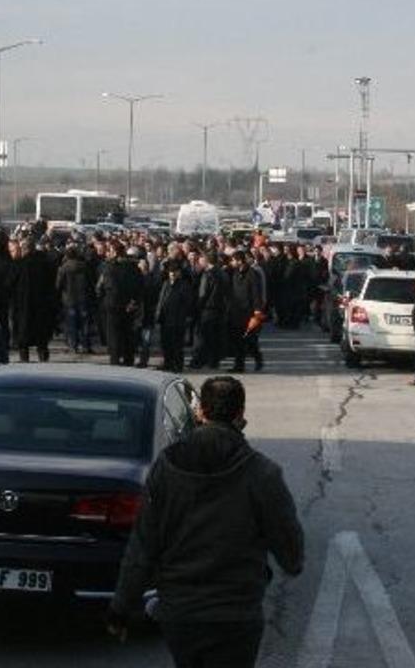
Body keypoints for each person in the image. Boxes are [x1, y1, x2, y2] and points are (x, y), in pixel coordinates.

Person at [107, 376, 304, 668]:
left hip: (180, 613)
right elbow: (292, 554)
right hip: (236, 616)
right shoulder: (261, 473)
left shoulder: (167, 465)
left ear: (200, 412)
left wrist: (120, 608)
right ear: (240, 415)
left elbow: (143, 545)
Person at [227, 251, 265, 373]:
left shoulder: (252, 274)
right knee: (238, 339)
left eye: (233, 260)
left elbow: (256, 293)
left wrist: (257, 311)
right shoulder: (235, 273)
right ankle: (239, 365)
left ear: (240, 261)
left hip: (249, 313)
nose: (231, 263)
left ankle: (258, 359)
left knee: (249, 339)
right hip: (237, 312)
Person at [191, 251, 228, 370]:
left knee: (202, 336)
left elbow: (203, 293)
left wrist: (197, 307)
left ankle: (198, 361)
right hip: (220, 308)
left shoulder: (207, 275)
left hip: (207, 309)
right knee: (215, 337)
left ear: (207, 261)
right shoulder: (223, 273)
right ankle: (214, 361)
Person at [156, 260, 194, 372]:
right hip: (165, 319)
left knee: (177, 345)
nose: (172, 274)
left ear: (179, 273)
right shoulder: (166, 283)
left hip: (177, 319)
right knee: (166, 344)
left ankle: (177, 365)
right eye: (170, 272)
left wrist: (185, 316)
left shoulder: (184, 285)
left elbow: (188, 303)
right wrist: (158, 314)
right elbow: (161, 300)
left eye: (174, 271)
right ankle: (168, 363)